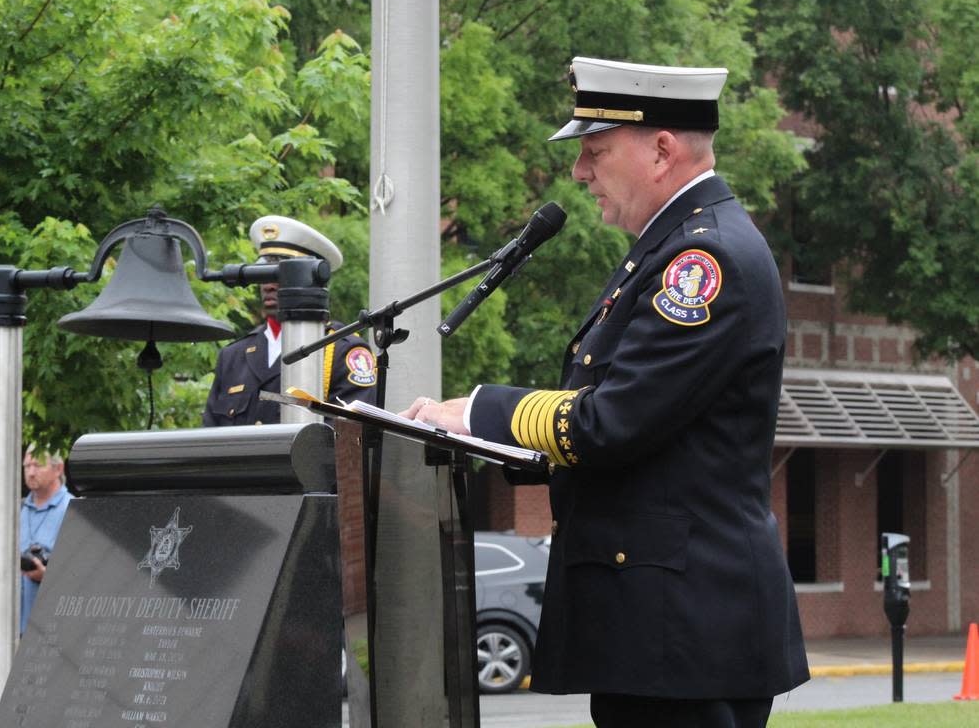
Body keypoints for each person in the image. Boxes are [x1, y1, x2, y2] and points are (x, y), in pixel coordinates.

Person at [405, 57, 809, 727]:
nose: (579, 172)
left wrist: (476, 411)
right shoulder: (670, 250)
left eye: (595, 151)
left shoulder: (703, 264)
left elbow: (610, 422)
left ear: (660, 150)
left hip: (681, 632)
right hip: (663, 629)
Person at [202, 216, 377, 426]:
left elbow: (349, 441)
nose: (267, 285)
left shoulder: (342, 352)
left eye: (278, 274)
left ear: (310, 280)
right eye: (261, 274)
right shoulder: (232, 357)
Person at [19, 447, 72, 635]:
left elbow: (87, 572)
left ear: (58, 469)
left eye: (38, 465)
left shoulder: (73, 510)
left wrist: (48, 576)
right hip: (16, 630)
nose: (31, 472)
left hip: (56, 631)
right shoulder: (19, 510)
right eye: (27, 466)